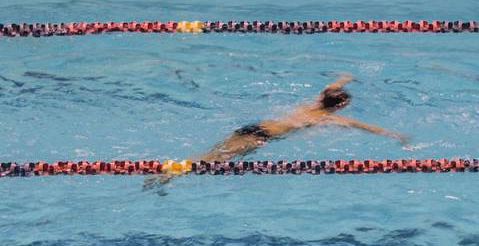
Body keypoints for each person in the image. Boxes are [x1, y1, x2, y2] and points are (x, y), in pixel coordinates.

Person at [145, 74, 406, 188]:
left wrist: (344, 79)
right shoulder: (323, 118)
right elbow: (362, 126)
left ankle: (168, 174)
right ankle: (166, 175)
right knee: (212, 161)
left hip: (255, 127)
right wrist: (394, 135)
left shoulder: (314, 103)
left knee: (212, 154)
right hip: (258, 137)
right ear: (338, 107)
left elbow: (330, 86)